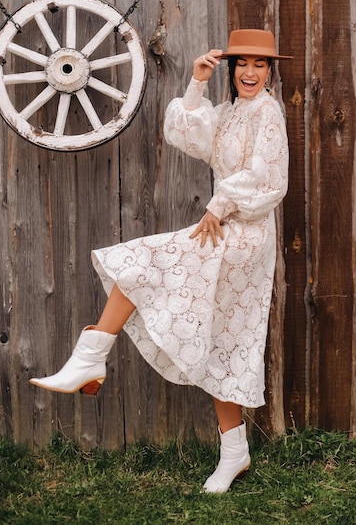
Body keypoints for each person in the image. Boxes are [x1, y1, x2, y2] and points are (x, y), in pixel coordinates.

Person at [30, 29, 291, 493]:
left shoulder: (267, 113)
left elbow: (268, 180)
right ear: (232, 69)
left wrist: (219, 205)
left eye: (260, 64)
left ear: (270, 70)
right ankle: (235, 453)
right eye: (242, 64)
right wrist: (196, 82)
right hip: (226, 225)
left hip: (244, 234)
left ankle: (91, 355)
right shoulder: (232, 111)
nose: (250, 72)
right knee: (222, 338)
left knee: (144, 263)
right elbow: (188, 136)